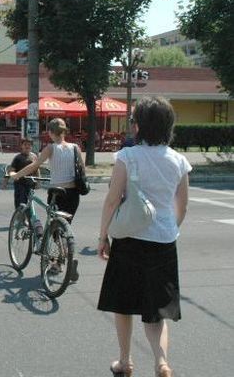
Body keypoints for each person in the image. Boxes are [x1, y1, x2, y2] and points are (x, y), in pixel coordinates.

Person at [97, 97, 190, 377]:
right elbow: (182, 205)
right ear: (168, 126)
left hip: (129, 239)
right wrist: (169, 228)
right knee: (157, 310)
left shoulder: (127, 156)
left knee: (122, 304)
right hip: (163, 241)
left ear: (139, 125)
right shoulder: (179, 160)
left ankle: (125, 363)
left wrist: (103, 237)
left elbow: (112, 200)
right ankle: (161, 362)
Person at [11, 118, 84, 223]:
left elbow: (34, 166)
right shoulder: (75, 147)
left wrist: (17, 174)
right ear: (64, 132)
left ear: (50, 132)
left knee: (53, 225)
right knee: (65, 226)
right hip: (73, 194)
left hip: (57, 193)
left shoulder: (50, 148)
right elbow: (82, 169)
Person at [3, 138, 40, 209]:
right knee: (21, 204)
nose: (27, 146)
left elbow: (37, 170)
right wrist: (5, 182)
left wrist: (38, 182)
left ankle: (29, 218)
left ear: (31, 146)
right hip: (20, 184)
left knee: (29, 204)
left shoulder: (34, 156)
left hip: (30, 183)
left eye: (29, 145)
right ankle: (19, 218)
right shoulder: (18, 158)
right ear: (21, 146)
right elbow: (11, 171)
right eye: (25, 144)